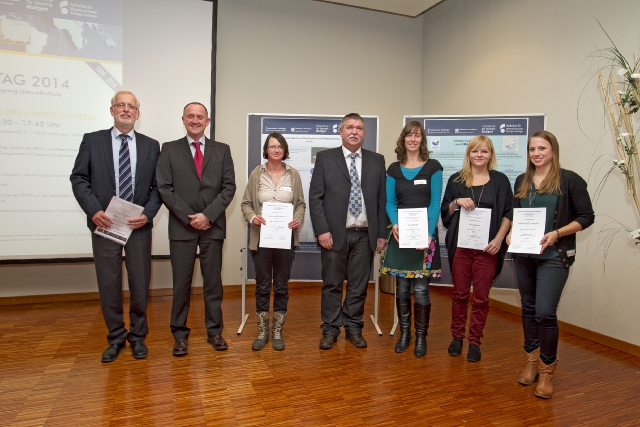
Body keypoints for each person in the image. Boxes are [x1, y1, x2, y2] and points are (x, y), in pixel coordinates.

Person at [70, 91, 162, 362]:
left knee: (140, 284)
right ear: (112, 110)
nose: (125, 109)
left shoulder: (151, 145)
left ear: (137, 113)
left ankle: (138, 337)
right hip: (105, 223)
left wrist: (148, 214)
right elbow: (79, 178)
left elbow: (159, 187)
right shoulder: (92, 140)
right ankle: (115, 338)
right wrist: (94, 211)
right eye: (120, 105)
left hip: (137, 225)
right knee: (109, 283)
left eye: (131, 106)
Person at [506, 130, 594, 398]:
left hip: (555, 256)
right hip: (525, 255)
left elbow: (586, 217)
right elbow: (516, 213)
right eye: (532, 149)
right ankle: (531, 362)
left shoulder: (570, 180)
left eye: (542, 148)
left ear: (553, 150)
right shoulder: (522, 180)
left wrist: (557, 233)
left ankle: (547, 370)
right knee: (528, 308)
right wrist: (511, 232)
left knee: (545, 312)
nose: (536, 154)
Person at [156, 102, 236, 356]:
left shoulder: (222, 150)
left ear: (207, 121)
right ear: (183, 119)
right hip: (183, 227)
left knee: (213, 283)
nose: (195, 120)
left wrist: (208, 215)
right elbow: (164, 187)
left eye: (199, 117)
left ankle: (215, 332)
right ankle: (180, 335)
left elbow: (229, 187)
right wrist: (190, 218)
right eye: (190, 116)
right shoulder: (169, 149)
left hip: (213, 226)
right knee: (181, 284)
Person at [309, 113, 387, 350]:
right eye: (350, 127)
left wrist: (381, 233)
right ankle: (330, 329)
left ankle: (354, 328)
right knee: (332, 284)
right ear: (341, 131)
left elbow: (381, 199)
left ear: (364, 133)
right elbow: (316, 198)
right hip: (334, 234)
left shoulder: (377, 160)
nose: (354, 131)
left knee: (358, 286)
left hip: (365, 234)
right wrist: (322, 230)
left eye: (359, 128)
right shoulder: (325, 158)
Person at [440, 135, 513, 362]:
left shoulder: (500, 181)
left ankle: (475, 341)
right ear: (468, 154)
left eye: (484, 151)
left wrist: (499, 239)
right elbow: (445, 213)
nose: (479, 155)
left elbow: (508, 213)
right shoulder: (456, 180)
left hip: (487, 249)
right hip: (461, 249)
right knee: (460, 294)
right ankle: (457, 337)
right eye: (475, 151)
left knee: (481, 298)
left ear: (491, 155)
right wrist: (456, 202)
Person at [381, 120, 442, 358]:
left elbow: (435, 202)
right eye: (409, 135)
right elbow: (389, 201)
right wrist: (395, 223)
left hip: (424, 235)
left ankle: (421, 337)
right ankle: (404, 334)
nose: (413, 139)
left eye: (417, 135)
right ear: (403, 139)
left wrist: (428, 233)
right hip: (401, 234)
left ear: (422, 140)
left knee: (421, 289)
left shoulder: (433, 167)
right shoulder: (393, 170)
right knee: (403, 287)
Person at [241, 132, 306, 351]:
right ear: (266, 150)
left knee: (281, 285)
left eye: (279, 147)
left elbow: (300, 204)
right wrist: (253, 217)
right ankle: (262, 331)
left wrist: (297, 219)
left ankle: (277, 330)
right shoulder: (256, 174)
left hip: (285, 240)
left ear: (284, 150)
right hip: (262, 239)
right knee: (261, 285)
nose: (276, 150)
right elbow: (246, 203)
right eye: (272, 146)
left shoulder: (293, 174)